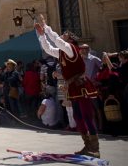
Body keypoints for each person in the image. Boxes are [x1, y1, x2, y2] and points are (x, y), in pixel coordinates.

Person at [35, 15, 100, 157]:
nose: (62, 35)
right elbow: (48, 48)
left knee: (87, 116)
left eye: (65, 34)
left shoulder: (71, 49)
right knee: (77, 116)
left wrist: (45, 26)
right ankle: (87, 145)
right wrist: (41, 36)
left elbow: (57, 41)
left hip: (81, 85)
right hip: (73, 86)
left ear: (70, 40)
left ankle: (95, 148)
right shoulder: (62, 53)